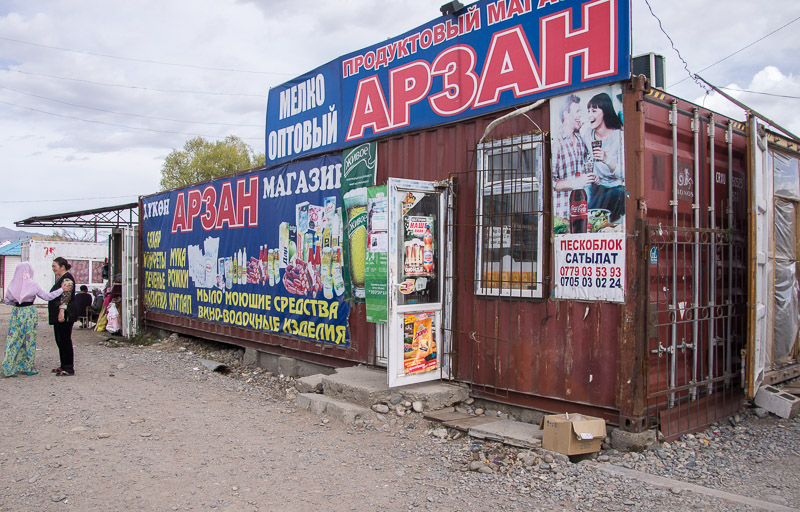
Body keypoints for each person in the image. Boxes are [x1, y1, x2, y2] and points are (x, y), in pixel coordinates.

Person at [2, 262, 69, 377]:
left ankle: (7, 368)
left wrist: (18, 302)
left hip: (17, 312)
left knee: (13, 339)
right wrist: (61, 290)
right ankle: (27, 366)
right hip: (29, 313)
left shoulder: (13, 284)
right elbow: (47, 297)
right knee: (29, 339)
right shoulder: (32, 284)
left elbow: (7, 301)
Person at [552, 94, 597, 222]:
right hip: (562, 216)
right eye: (577, 111)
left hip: (580, 212)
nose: (581, 115)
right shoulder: (557, 142)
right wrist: (577, 182)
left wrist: (591, 177)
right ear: (566, 114)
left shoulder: (579, 139)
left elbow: (589, 161)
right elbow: (551, 182)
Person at [585, 92, 625, 223]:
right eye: (588, 110)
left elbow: (625, 173)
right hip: (597, 186)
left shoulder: (619, 137)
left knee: (619, 194)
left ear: (605, 112)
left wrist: (607, 159)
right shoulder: (587, 135)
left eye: (594, 110)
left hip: (616, 187)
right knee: (587, 210)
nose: (590, 115)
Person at [48, 257, 76, 376]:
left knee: (65, 339)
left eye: (54, 266)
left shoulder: (67, 279)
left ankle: (68, 367)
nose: (53, 268)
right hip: (60, 314)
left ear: (62, 266)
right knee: (60, 339)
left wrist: (61, 312)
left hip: (65, 314)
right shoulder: (61, 279)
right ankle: (63, 365)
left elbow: (66, 297)